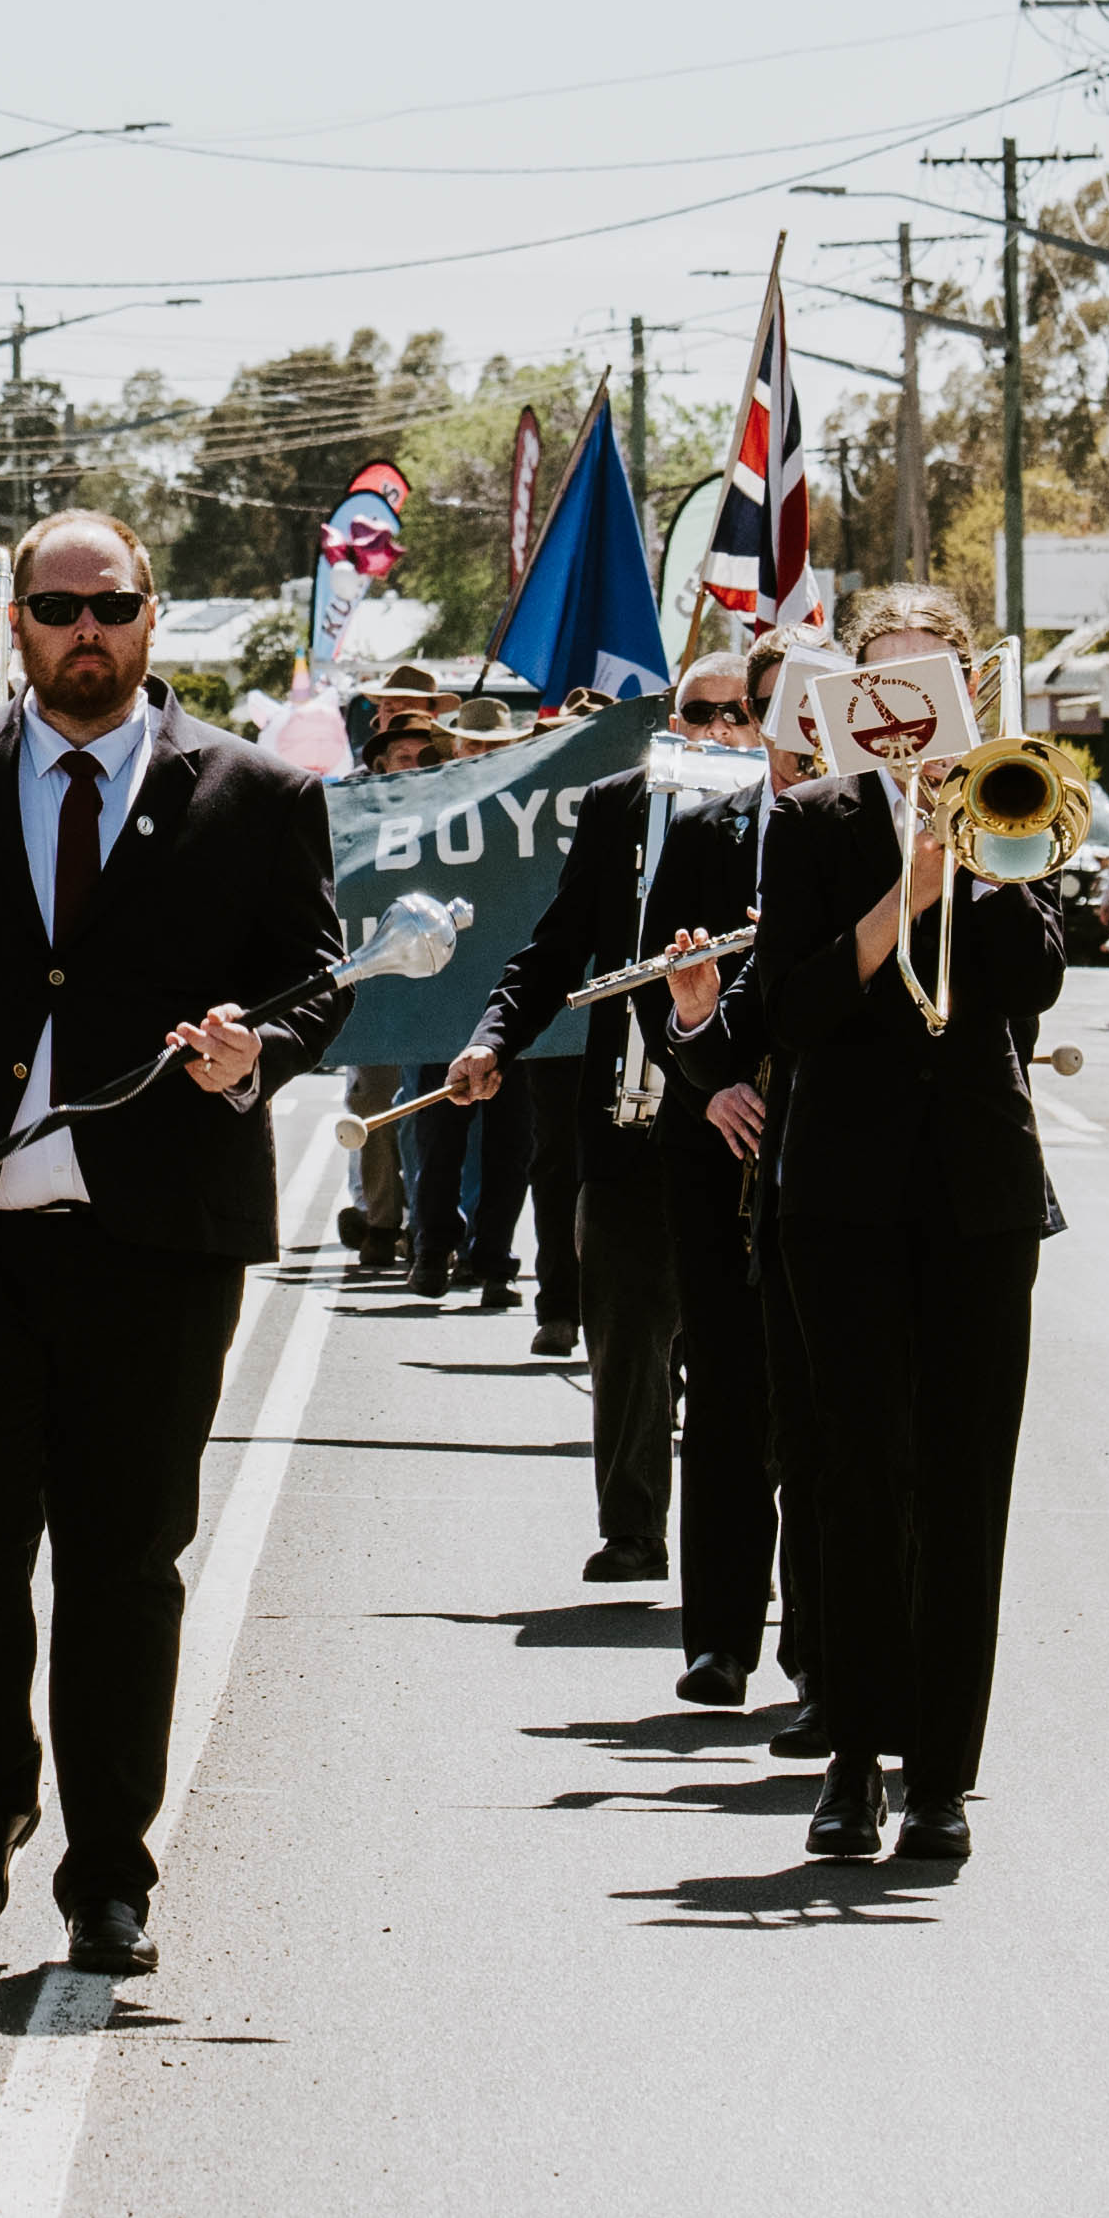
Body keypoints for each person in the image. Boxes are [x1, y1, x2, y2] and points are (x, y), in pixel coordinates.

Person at [0, 509, 330, 1978]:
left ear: (155, 615)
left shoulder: (258, 791)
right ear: (13, 620)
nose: (87, 629)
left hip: (153, 1248)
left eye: (114, 604)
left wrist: (254, 1049)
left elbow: (319, 976)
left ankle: (108, 1870)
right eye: (57, 605)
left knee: (121, 1563)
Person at [738, 589, 1067, 1866]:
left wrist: (969, 858)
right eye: (882, 677)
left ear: (966, 690)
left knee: (963, 1485)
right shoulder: (813, 821)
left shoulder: (1014, 798)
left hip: (981, 1191)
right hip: (842, 1193)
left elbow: (1032, 982)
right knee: (856, 1475)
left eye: (930, 675)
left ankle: (941, 1772)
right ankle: (855, 1759)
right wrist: (902, 894)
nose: (906, 698)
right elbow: (794, 1009)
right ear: (848, 702)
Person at [461, 640, 775, 1622]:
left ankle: (762, 1563)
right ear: (668, 721)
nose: (721, 731)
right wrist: (493, 1041)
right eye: (701, 712)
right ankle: (633, 1526)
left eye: (740, 714)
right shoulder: (615, 807)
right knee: (626, 1330)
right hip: (627, 1110)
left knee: (741, 1348)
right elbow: (554, 946)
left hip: (733, 1110)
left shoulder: (777, 820)